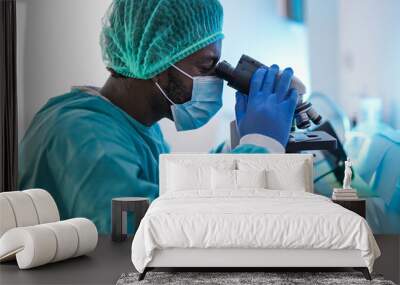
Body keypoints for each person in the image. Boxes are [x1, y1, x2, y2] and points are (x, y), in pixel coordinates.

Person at [19, 0, 298, 233]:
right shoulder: (81, 135)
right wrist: (262, 146)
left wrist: (238, 147)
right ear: (158, 61)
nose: (215, 80)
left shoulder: (133, 125)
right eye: (206, 66)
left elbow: (178, 194)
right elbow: (152, 230)